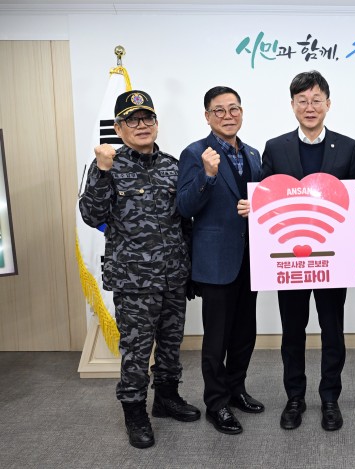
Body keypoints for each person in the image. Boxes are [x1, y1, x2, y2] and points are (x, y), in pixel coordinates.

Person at [79, 90, 200, 449]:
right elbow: (91, 215)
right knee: (136, 350)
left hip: (173, 275)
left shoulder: (173, 166)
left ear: (156, 123)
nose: (142, 125)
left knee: (170, 345)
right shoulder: (107, 166)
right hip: (134, 281)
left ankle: (166, 398)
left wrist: (190, 269)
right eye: (132, 120)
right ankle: (134, 413)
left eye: (148, 118)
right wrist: (102, 171)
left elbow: (185, 221)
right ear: (118, 128)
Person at [261, 70, 355, 431]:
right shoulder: (276, 147)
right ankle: (295, 398)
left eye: (316, 100)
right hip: (290, 260)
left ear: (328, 104)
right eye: (302, 100)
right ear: (292, 105)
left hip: (333, 261)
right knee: (293, 332)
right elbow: (265, 199)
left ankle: (330, 398)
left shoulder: (348, 147)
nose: (310, 107)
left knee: (333, 331)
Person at [177, 86, 264, 435]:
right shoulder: (194, 153)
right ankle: (216, 403)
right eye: (219, 110)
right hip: (215, 261)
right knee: (216, 338)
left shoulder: (254, 154)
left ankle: (236, 389)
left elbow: (262, 202)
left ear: (242, 112)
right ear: (207, 116)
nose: (228, 116)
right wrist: (208, 176)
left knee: (245, 333)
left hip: (252, 259)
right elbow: (184, 206)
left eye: (234, 109)